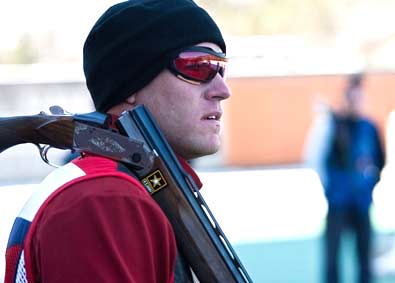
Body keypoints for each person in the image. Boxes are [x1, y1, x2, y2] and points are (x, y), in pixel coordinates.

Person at [4, 1, 231, 282]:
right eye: (198, 67)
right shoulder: (106, 198)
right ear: (132, 83)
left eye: (221, 69)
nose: (223, 90)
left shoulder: (114, 188)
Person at [307, 73, 385, 283]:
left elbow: (379, 160)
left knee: (364, 260)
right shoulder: (332, 125)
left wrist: (368, 185)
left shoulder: (370, 127)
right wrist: (331, 188)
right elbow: (317, 157)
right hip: (338, 202)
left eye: (360, 98)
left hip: (361, 202)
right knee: (332, 260)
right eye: (352, 97)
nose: (356, 102)